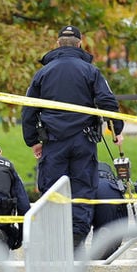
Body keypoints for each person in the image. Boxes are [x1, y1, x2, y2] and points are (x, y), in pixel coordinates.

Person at [22, 25, 123, 251]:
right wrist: (116, 130)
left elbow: (29, 109)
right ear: (80, 43)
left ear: (57, 44)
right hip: (83, 140)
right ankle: (77, 238)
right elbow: (107, 101)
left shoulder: (43, 73)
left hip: (54, 141)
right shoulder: (91, 71)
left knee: (53, 190)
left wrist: (33, 140)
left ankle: (55, 240)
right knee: (83, 189)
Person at [91, 162, 128, 260]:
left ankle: (77, 252)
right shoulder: (113, 183)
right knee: (112, 230)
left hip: (82, 189)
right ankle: (104, 249)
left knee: (78, 229)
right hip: (108, 191)